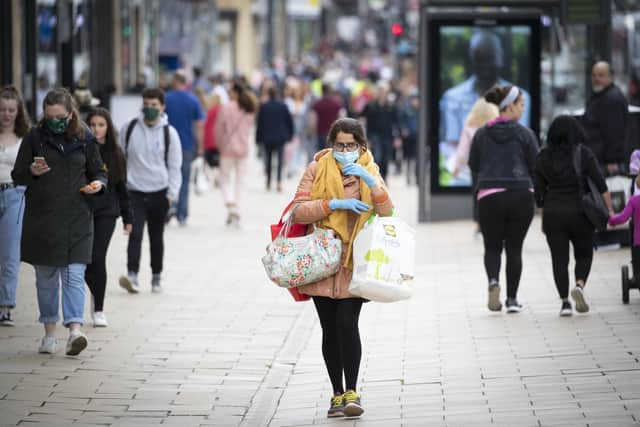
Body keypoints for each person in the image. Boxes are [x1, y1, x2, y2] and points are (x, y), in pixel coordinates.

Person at [291, 118, 394, 419]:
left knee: (348, 323)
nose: (345, 150)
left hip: (354, 261)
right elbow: (298, 211)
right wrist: (333, 204)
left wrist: (371, 182)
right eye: (340, 145)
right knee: (329, 329)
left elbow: (388, 211)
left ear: (361, 145)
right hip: (322, 259)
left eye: (351, 145)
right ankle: (336, 393)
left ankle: (352, 391)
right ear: (331, 144)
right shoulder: (316, 168)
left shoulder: (369, 169)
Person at [11, 88, 107, 355]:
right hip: (43, 219)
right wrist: (31, 170)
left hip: (77, 217)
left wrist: (98, 184)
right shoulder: (34, 137)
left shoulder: (85, 137)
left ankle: (75, 331)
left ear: (71, 113)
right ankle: (49, 333)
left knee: (75, 275)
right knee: (47, 278)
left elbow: (98, 170)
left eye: (61, 116)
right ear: (44, 114)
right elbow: (18, 174)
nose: (55, 121)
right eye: (50, 116)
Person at [468, 85, 538, 313]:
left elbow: (474, 166)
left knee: (492, 247)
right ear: (509, 106)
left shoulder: (481, 134)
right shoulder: (525, 134)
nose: (523, 109)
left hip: (490, 196)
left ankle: (493, 282)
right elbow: (535, 165)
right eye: (521, 105)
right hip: (520, 195)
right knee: (514, 248)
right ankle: (512, 299)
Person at [535, 115, 613, 316]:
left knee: (559, 260)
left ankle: (564, 304)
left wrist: (544, 218)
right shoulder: (584, 154)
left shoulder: (542, 156)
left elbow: (539, 193)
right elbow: (601, 184)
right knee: (584, 254)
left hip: (554, 213)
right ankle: (579, 285)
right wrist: (610, 210)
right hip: (581, 213)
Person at [118, 88, 182, 294]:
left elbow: (175, 166)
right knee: (134, 234)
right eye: (146, 104)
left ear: (162, 107)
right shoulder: (130, 128)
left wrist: (172, 194)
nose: (150, 108)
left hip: (159, 192)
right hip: (134, 191)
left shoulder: (169, 133)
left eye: (154, 105)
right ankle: (132, 275)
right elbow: (120, 158)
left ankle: (156, 276)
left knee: (156, 236)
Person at [85, 108, 133, 327]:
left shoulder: (116, 153)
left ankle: (99, 309)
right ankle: (95, 291)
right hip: (84, 209)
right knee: (83, 261)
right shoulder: (81, 148)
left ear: (108, 127)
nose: (96, 129)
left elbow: (122, 187)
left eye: (101, 125)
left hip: (107, 211)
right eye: (93, 124)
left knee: (97, 257)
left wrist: (127, 217)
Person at [439, 31, 531, 147]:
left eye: (490, 57)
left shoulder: (521, 98)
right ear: (471, 59)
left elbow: (522, 145)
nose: (485, 65)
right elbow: (451, 146)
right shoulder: (452, 97)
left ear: (501, 58)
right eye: (480, 58)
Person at [0, 86, 31, 326]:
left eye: (11, 110)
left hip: (14, 194)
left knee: (10, 252)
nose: (6, 114)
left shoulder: (25, 137)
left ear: (18, 112)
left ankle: (6, 305)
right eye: (2, 109)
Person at [213, 82, 257, 227]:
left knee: (224, 178)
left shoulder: (226, 107)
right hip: (243, 149)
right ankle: (236, 208)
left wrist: (219, 145)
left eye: (230, 91)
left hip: (227, 148)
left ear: (235, 92)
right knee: (240, 180)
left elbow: (218, 128)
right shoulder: (249, 108)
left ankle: (230, 202)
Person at [164, 71, 204, 226]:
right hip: (187, 145)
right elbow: (199, 125)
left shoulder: (167, 99)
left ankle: (170, 207)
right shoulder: (192, 100)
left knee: (169, 178)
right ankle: (182, 215)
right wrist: (200, 147)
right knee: (185, 180)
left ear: (175, 82)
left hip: (168, 145)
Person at [581, 61, 629, 176]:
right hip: (597, 160)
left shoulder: (612, 100)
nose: (596, 78)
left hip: (606, 165)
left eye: (601, 75)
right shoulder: (599, 96)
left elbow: (615, 133)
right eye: (594, 75)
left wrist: (612, 162)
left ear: (611, 77)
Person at [359, 82, 401, 181]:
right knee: (377, 156)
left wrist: (398, 137)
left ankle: (384, 177)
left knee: (386, 158)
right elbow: (361, 117)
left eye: (384, 91)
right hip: (374, 135)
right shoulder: (370, 106)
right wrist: (365, 138)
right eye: (381, 91)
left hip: (388, 135)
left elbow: (397, 122)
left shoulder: (391, 106)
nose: (382, 93)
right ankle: (377, 177)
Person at [256, 85, 294, 192]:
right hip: (280, 137)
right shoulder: (283, 106)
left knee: (268, 160)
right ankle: (278, 182)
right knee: (280, 160)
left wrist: (258, 138)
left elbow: (260, 124)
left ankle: (268, 181)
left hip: (267, 137)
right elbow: (289, 122)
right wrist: (290, 135)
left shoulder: (264, 106)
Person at [312, 83, 343, 153]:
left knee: (322, 154)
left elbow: (313, 120)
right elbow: (341, 119)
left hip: (320, 133)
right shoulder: (336, 104)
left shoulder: (317, 104)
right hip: (333, 133)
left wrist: (313, 133)